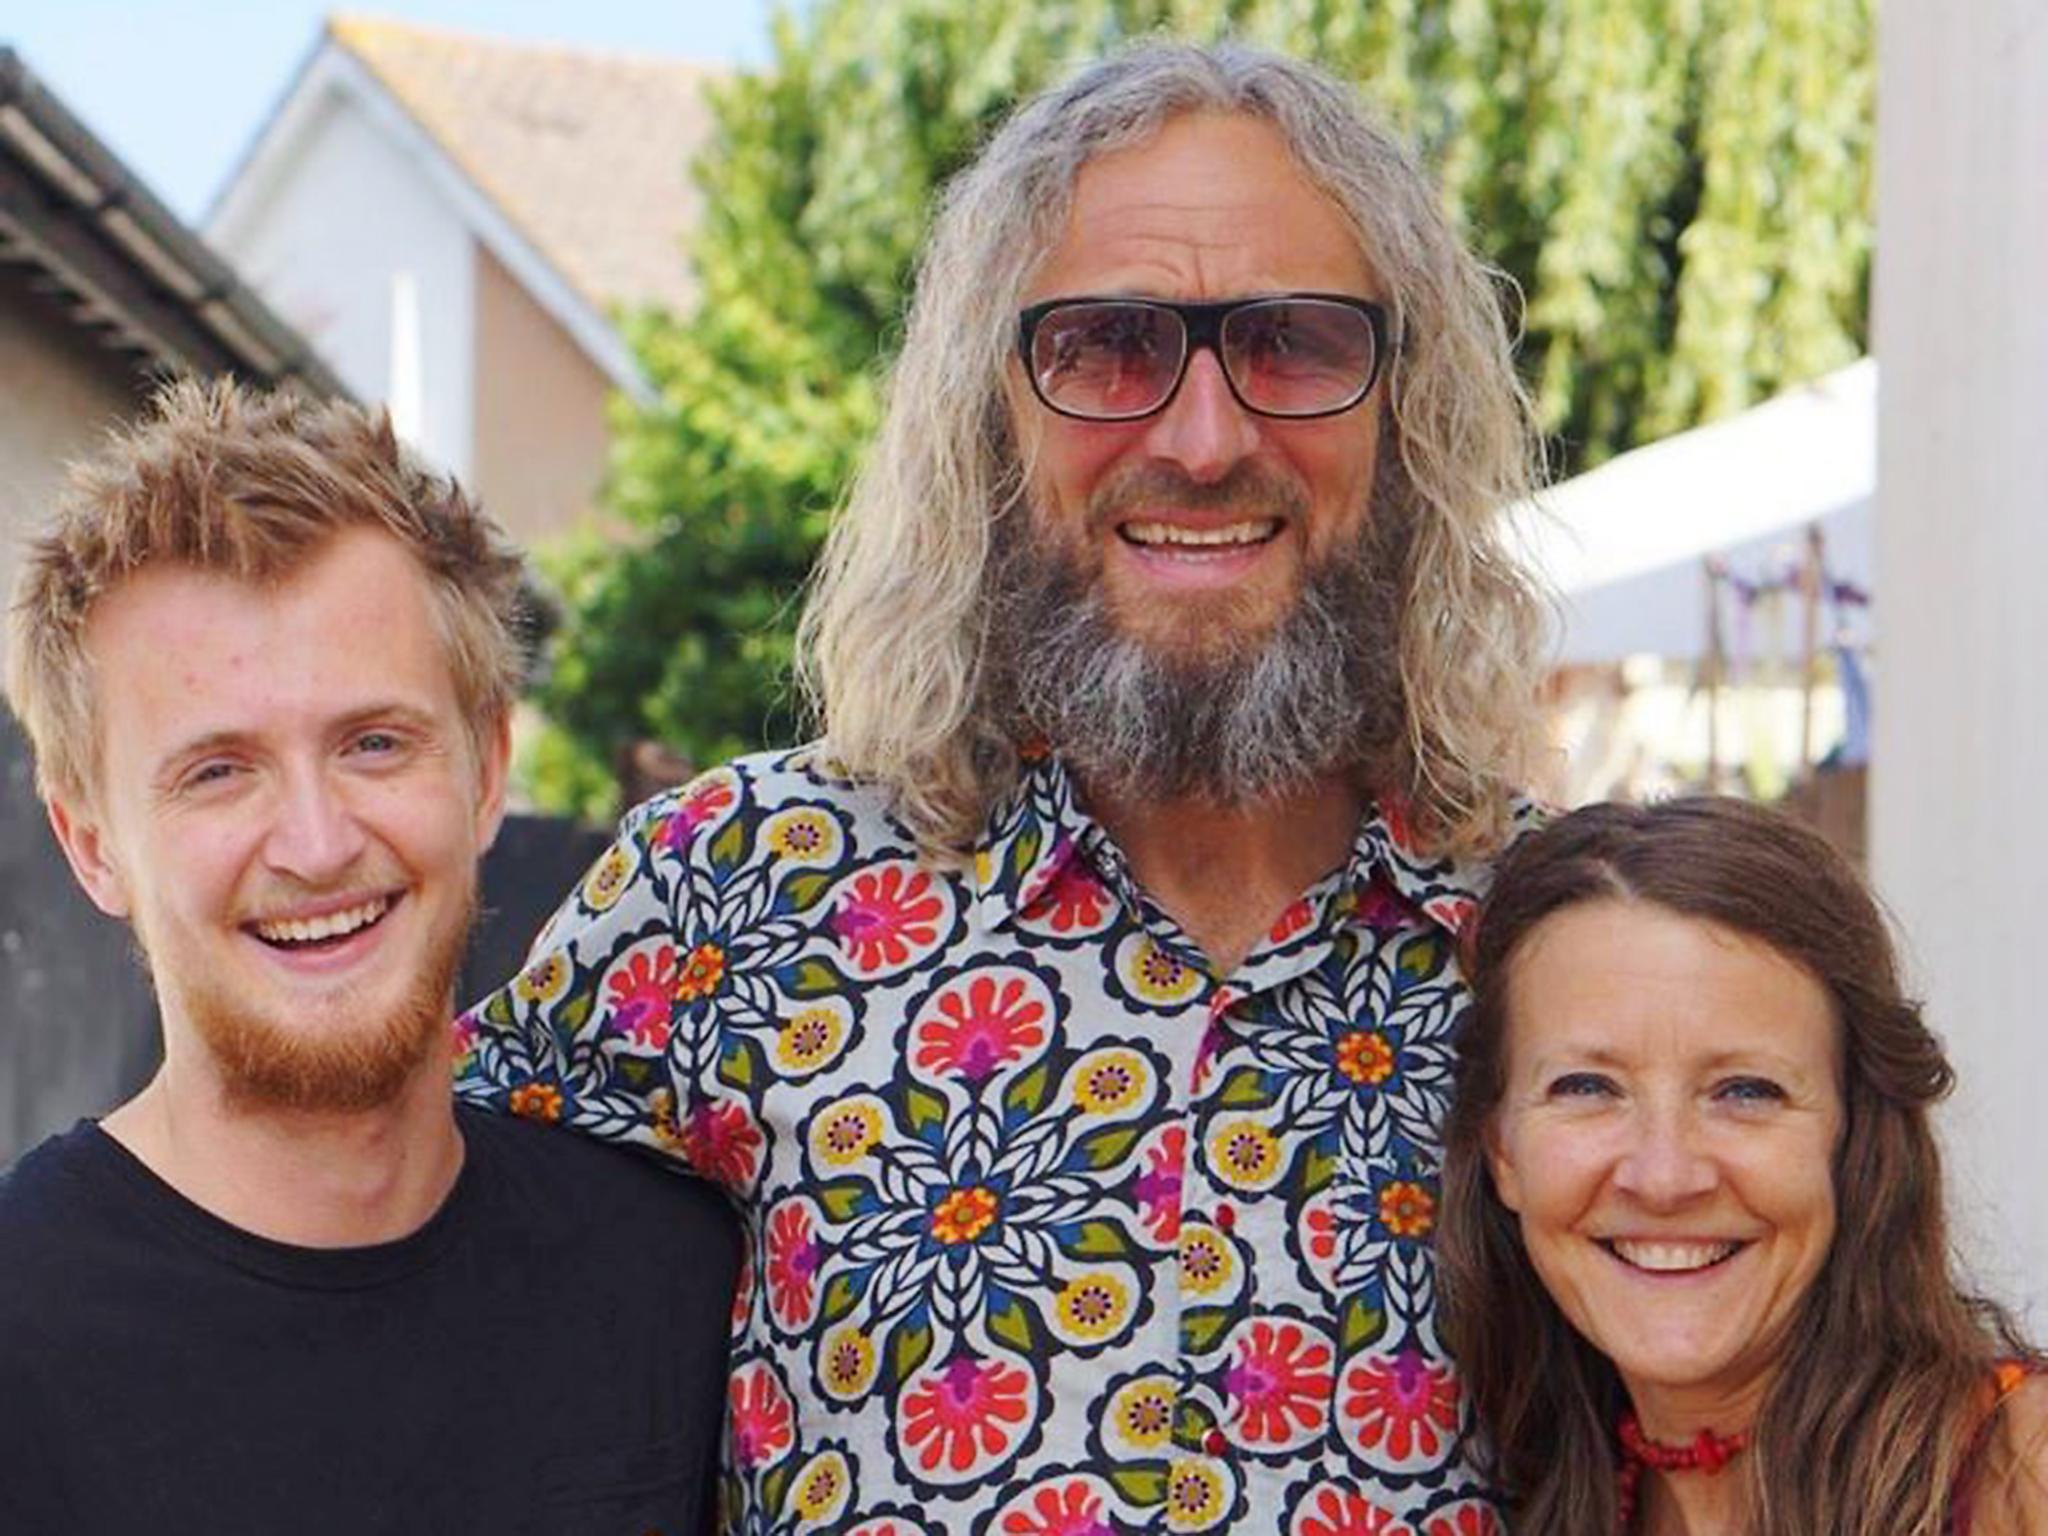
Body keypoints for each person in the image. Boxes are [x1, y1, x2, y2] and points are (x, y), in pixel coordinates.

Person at [458, 40, 1551, 1534]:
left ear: (1404, 407)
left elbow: (1827, 1379)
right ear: (989, 415)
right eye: (1107, 346)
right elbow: (385, 1286)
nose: (1206, 437)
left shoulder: (1560, 949)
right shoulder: (737, 893)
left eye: (1295, 342)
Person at [0, 379, 738, 1535]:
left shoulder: (677, 1284)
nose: (315, 842)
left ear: (486, 771)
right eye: (217, 770)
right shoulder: (21, 1339)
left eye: (374, 744)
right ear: (92, 845)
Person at [1440, 797, 2048, 1535]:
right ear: (1503, 1150)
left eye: (1745, 1092)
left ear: (1856, 1138)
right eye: (1588, 1088)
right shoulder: (1547, 1498)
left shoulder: (2022, 1469)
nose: (1663, 1177)